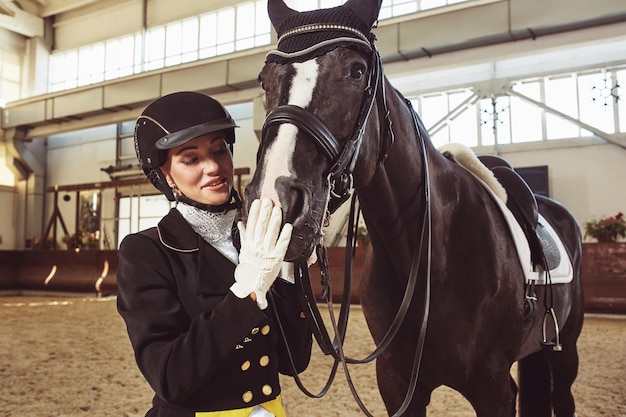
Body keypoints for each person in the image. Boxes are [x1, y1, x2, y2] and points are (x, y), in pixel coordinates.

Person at [117, 91, 313, 417]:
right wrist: (246, 294)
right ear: (165, 175)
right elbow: (169, 377)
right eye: (191, 159)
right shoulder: (146, 252)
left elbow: (296, 361)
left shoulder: (256, 239)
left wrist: (290, 274)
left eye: (219, 150)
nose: (213, 167)